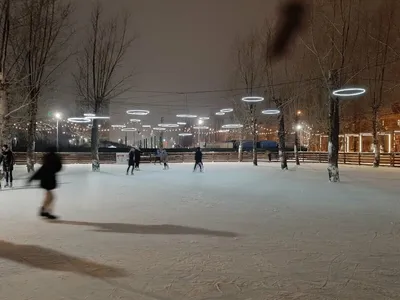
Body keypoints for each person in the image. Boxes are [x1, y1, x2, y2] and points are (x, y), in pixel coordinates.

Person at [28, 146, 62, 220]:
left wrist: (32, 178)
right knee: (51, 197)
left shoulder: (48, 159)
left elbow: (41, 170)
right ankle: (45, 211)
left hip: (46, 181)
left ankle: (44, 210)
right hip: (48, 181)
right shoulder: (53, 159)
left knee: (49, 197)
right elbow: (59, 167)